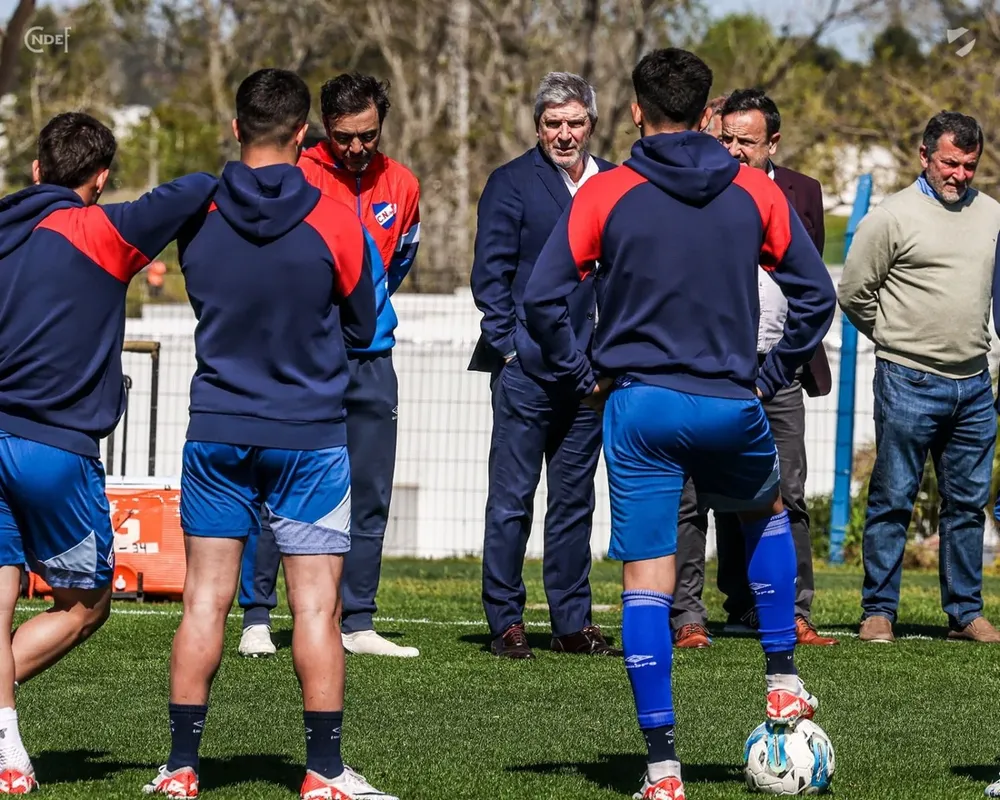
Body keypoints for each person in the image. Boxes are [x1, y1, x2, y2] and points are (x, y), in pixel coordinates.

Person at [523, 48, 837, 798]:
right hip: (731, 399)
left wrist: (580, 372)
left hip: (640, 405)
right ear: (707, 116)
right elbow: (817, 295)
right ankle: (781, 680)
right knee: (765, 514)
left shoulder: (605, 192)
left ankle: (664, 771)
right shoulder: (753, 190)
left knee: (646, 580)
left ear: (636, 111)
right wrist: (768, 374)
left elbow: (540, 299)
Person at [143, 69, 395, 799]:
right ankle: (324, 772)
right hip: (309, 435)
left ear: (235, 128)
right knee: (316, 607)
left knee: (204, 601)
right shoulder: (336, 219)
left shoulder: (198, 214)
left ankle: (180, 767)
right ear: (302, 135)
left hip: (216, 428)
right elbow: (363, 326)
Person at [0, 111, 215, 791]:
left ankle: (7, 752)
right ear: (99, 178)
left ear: (36, 169)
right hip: (53, 446)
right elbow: (194, 188)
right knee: (86, 606)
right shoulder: (101, 230)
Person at [237, 72, 421, 659]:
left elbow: (397, 265)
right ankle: (257, 617)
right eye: (344, 137)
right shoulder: (298, 173)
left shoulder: (404, 184)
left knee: (370, 490)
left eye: (368, 134)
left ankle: (358, 621)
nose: (357, 147)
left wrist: (366, 313)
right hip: (303, 358)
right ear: (322, 128)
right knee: (279, 484)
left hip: (372, 359)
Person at [671, 88, 837, 649]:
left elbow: (809, 281)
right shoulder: (699, 189)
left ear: (773, 143)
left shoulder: (802, 192)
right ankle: (688, 615)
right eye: (726, 139)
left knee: (787, 491)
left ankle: (792, 612)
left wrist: (781, 364)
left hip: (780, 367)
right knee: (693, 494)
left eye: (746, 140)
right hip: (711, 368)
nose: (735, 150)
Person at [468, 71, 619, 659]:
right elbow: (491, 276)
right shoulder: (511, 182)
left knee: (574, 504)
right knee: (512, 501)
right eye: (553, 123)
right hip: (526, 371)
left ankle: (571, 622)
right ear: (537, 127)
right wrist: (509, 348)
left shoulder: (616, 182)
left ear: (592, 124)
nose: (564, 134)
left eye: (574, 122)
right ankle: (505, 620)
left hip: (592, 374)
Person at [839, 110, 1000, 644]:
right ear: (925, 155)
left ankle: (965, 612)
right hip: (907, 380)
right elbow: (854, 293)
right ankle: (878, 611)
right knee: (893, 500)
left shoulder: (992, 215)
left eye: (969, 165)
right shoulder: (890, 217)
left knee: (967, 505)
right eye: (950, 163)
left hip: (974, 385)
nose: (959, 174)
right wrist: (896, 338)